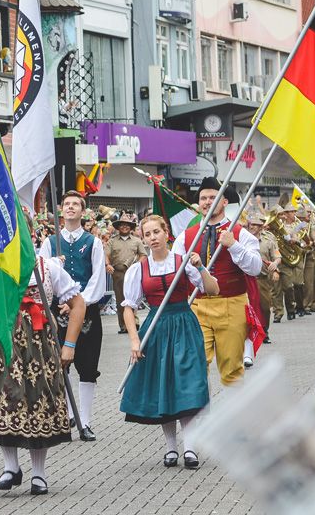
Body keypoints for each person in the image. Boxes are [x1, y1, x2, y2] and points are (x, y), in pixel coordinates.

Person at [0, 254, 85, 495]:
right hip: (3, 336)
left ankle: (39, 473)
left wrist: (70, 345)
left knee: (39, 399)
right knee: (2, 400)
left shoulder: (47, 266)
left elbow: (79, 304)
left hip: (39, 341)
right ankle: (10, 467)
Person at [121, 215, 219, 469]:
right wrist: (134, 340)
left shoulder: (183, 262)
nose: (152, 237)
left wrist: (201, 267)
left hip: (184, 325)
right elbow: (128, 308)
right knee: (163, 385)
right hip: (156, 328)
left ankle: (189, 448)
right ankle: (171, 448)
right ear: (143, 239)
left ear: (167, 233)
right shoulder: (138, 269)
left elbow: (212, 289)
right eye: (148, 234)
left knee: (186, 384)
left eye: (157, 232)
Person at [172, 177, 261, 386]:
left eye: (213, 197)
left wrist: (234, 246)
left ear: (224, 202)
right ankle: (199, 417)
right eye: (203, 198)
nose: (207, 201)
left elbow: (256, 268)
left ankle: (235, 417)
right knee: (195, 367)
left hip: (233, 304)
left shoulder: (240, 233)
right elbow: (174, 268)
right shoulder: (186, 237)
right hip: (197, 306)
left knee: (232, 371)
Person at [39, 190, 106, 441]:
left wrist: (78, 302)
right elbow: (42, 277)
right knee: (60, 366)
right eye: (66, 204)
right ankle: (67, 416)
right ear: (61, 210)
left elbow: (98, 277)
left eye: (75, 204)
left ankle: (85, 421)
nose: (70, 208)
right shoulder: (49, 242)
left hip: (87, 314)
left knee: (87, 368)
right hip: (57, 313)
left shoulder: (93, 242)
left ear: (83, 211)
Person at [105, 216, 147, 334]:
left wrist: (137, 266)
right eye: (122, 225)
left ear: (131, 227)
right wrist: (107, 265)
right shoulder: (112, 241)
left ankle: (134, 322)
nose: (125, 226)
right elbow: (106, 255)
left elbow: (143, 255)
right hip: (118, 273)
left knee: (134, 298)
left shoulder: (137, 241)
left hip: (132, 273)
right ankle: (124, 326)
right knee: (120, 300)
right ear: (118, 227)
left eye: (127, 225)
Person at [249, 214, 279, 343]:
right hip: (247, 279)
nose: (252, 227)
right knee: (248, 307)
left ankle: (265, 330)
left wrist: (275, 264)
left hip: (262, 279)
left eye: (256, 225)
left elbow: (277, 256)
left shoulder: (268, 240)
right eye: (251, 224)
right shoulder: (243, 239)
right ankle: (251, 332)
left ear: (261, 227)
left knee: (265, 307)